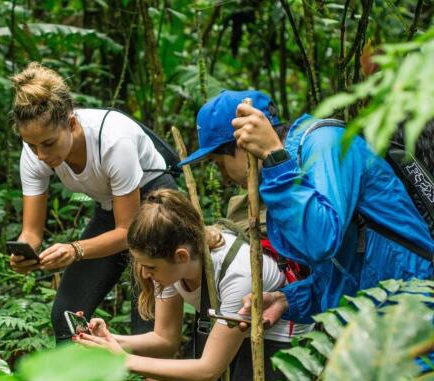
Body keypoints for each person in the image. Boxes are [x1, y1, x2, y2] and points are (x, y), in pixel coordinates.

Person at [177, 89, 434, 326]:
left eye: (219, 164)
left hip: (412, 311)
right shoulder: (294, 168)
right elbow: (341, 271)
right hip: (374, 321)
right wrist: (287, 299)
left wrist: (274, 159)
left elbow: (321, 240)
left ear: (243, 145)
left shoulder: (324, 144)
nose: (223, 178)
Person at [8, 63, 179, 381]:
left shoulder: (113, 139)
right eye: (32, 146)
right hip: (111, 211)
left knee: (148, 324)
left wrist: (75, 249)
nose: (41, 155)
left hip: (155, 205)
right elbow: (31, 231)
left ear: (71, 123)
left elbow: (129, 231)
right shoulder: (35, 151)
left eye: (48, 143)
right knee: (67, 314)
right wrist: (23, 252)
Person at [76, 189, 312, 381]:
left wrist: (123, 360)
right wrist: (110, 341)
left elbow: (208, 371)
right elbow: (165, 340)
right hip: (233, 328)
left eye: (150, 267)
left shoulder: (239, 273)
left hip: (277, 334)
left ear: (181, 256)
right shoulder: (170, 268)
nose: (145, 275)